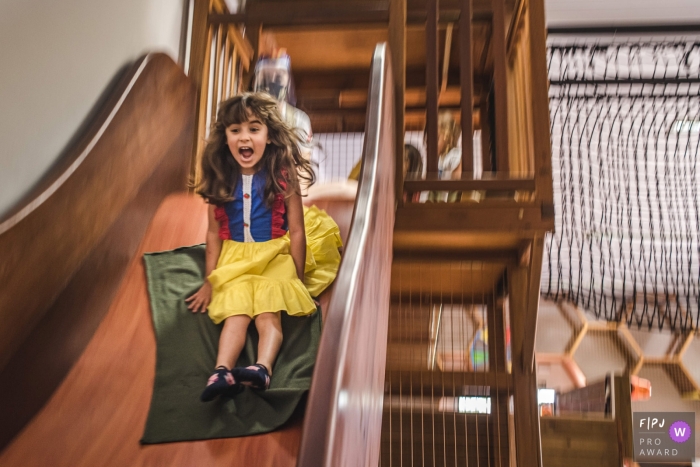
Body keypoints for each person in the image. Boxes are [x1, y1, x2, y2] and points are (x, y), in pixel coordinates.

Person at [185, 93, 342, 402]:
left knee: (268, 315)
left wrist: (296, 274)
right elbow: (214, 233)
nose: (244, 137)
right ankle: (221, 371)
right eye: (235, 130)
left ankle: (262, 368)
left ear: (269, 136)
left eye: (254, 128)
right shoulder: (220, 178)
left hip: (274, 255)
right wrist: (209, 280)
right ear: (225, 137)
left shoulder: (282, 176)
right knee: (236, 314)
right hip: (237, 257)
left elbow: (296, 230)